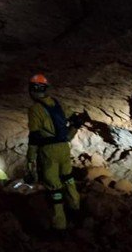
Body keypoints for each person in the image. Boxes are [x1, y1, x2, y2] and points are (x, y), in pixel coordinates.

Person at [26, 73, 84, 230]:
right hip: (64, 148)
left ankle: (59, 224)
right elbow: (77, 120)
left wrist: (30, 161)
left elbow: (34, 138)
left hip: (48, 151)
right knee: (68, 178)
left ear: (32, 90)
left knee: (54, 187)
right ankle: (76, 210)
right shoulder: (58, 104)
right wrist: (67, 136)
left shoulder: (35, 109)